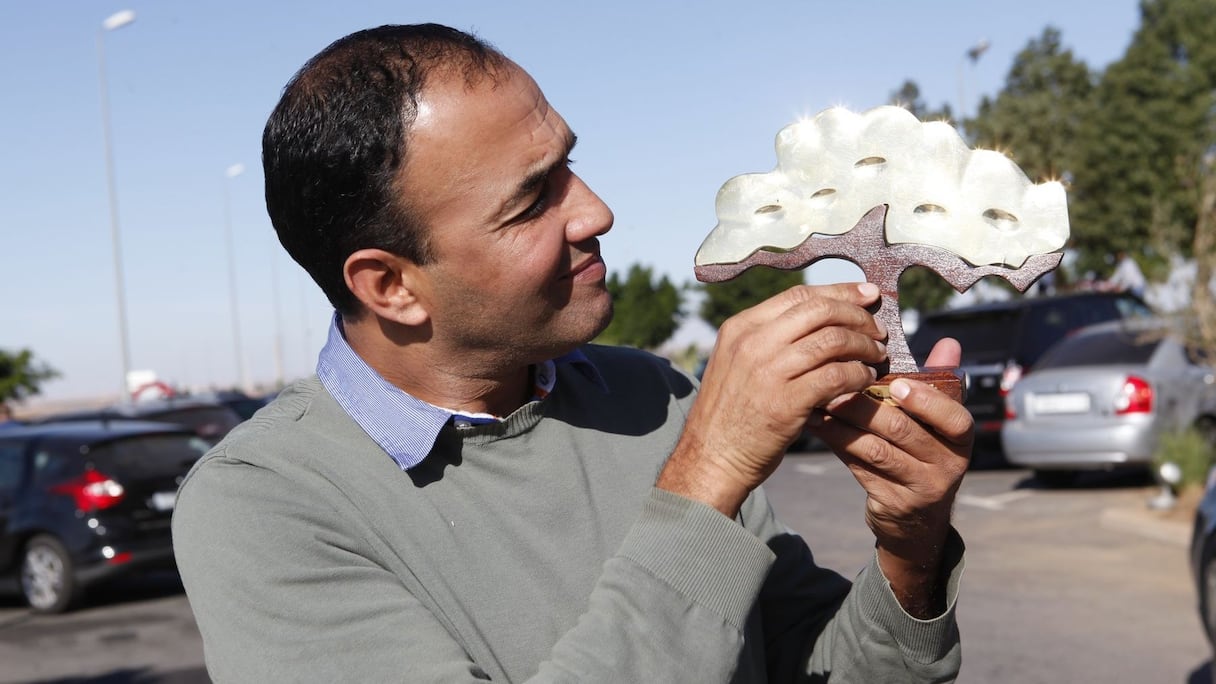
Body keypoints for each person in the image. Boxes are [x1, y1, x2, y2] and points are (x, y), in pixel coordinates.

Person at [172, 24, 972, 683]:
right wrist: (709, 474)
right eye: (530, 202)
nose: (595, 211)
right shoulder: (265, 505)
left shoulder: (649, 398)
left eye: (569, 165)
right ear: (391, 286)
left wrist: (911, 549)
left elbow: (816, 667)